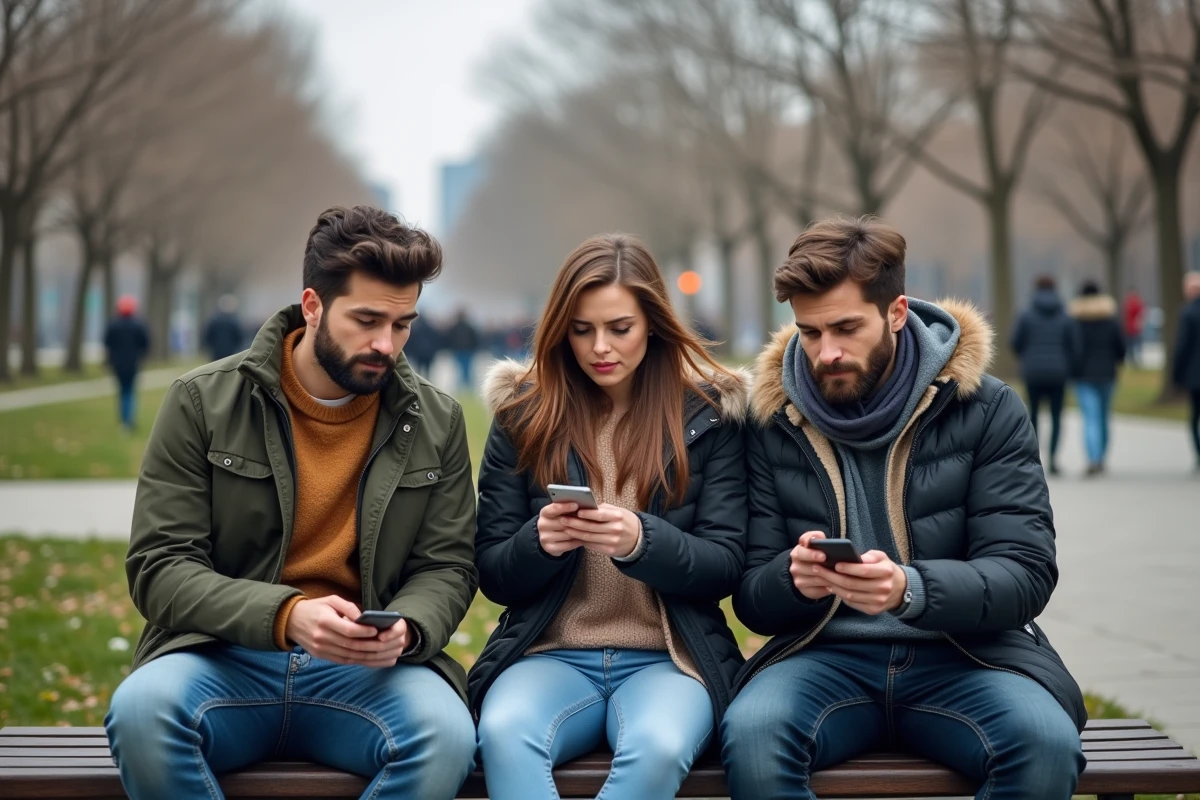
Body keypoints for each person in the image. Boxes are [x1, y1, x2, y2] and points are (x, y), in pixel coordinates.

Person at [104, 206, 478, 800]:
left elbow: (449, 566)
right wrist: (286, 615)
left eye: (403, 324)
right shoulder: (202, 402)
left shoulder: (437, 419)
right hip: (221, 658)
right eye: (367, 320)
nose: (387, 344)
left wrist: (408, 628)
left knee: (447, 735)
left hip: (368, 675)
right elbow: (159, 567)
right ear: (312, 306)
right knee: (143, 711)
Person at [721, 217, 1086, 800]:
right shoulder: (774, 421)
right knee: (753, 735)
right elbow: (750, 597)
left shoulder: (987, 409)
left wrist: (908, 590)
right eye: (809, 332)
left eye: (845, 327)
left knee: (1044, 744)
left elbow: (1025, 573)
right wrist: (793, 581)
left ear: (895, 312)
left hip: (968, 657)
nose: (826, 352)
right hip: (822, 658)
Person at [468, 233, 750, 800]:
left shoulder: (709, 419)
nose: (601, 347)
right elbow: (493, 573)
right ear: (560, 329)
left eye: (619, 328)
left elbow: (727, 564)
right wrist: (539, 542)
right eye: (581, 329)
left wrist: (642, 541)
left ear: (652, 323)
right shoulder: (522, 416)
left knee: (660, 747)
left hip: (669, 661)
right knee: (503, 734)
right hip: (548, 653)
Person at [1011, 274, 1078, 475]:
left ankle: (1033, 459)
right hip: (1058, 372)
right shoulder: (1065, 315)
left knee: (1033, 417)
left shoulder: (1026, 314)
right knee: (1057, 416)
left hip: (1033, 371)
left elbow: (1015, 342)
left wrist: (1027, 355)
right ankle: (1054, 459)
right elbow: (1074, 345)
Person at [1069, 280, 1126, 476]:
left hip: (1084, 375)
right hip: (1108, 374)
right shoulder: (1110, 320)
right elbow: (1121, 348)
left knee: (1090, 418)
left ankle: (1093, 458)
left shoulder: (1077, 321)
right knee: (1103, 416)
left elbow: (1073, 350)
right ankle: (1101, 457)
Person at [102, 295, 150, 432]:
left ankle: (123, 419)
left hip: (117, 364)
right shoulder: (138, 325)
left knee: (122, 391)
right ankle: (129, 420)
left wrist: (108, 361)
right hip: (133, 363)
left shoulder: (113, 325)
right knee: (130, 392)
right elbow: (145, 343)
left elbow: (107, 344)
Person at [1173, 271, 1200, 473]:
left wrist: (1177, 373)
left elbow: (1182, 345)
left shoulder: (1188, 313)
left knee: (1195, 416)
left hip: (1194, 373)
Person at [444, 308, 480, 391]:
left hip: (458, 350)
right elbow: (475, 339)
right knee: (467, 368)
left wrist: (451, 348)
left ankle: (461, 385)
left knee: (459, 368)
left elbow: (449, 339)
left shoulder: (454, 328)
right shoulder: (470, 327)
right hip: (468, 350)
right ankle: (468, 385)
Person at [202, 294, 246, 361]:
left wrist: (209, 347)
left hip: (216, 351)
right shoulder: (234, 321)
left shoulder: (214, 320)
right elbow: (240, 337)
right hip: (230, 352)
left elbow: (207, 336)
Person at [1123, 286, 1145, 366]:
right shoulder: (1129, 302)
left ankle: (1136, 360)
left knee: (1136, 344)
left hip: (1135, 328)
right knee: (1132, 345)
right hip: (1130, 328)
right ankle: (1132, 359)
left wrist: (1139, 323)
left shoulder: (1135, 303)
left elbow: (1141, 314)